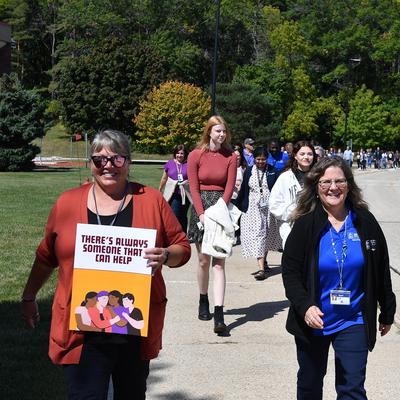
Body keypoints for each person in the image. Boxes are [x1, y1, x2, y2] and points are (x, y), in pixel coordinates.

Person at [21, 129, 191, 400]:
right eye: (99, 160)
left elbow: (182, 247)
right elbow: (45, 257)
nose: (108, 166)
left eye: (116, 159)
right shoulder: (67, 203)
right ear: (91, 164)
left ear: (128, 162)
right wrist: (29, 297)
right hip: (81, 332)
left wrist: (166, 256)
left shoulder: (151, 201)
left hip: (133, 330)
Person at [282, 155, 396, 400]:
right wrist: (305, 307)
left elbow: (380, 268)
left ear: (349, 185)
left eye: (339, 181)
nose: (333, 187)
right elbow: (290, 273)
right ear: (316, 187)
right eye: (325, 182)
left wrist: (387, 310)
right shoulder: (305, 225)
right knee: (310, 386)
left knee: (352, 389)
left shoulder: (365, 221)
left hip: (353, 319)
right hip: (314, 320)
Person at [187, 115, 237, 334]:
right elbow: (194, 188)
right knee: (203, 260)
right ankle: (203, 298)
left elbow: (229, 186)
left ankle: (219, 312)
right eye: (218, 131)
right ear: (209, 132)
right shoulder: (195, 155)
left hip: (220, 208)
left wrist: (219, 211)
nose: (222, 135)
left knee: (219, 262)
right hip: (200, 208)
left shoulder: (231, 156)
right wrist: (201, 214)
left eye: (224, 131)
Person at [237, 147, 280, 280]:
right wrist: (238, 203)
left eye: (263, 159)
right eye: (258, 159)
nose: (260, 161)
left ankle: (264, 261)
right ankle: (261, 268)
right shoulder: (249, 171)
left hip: (269, 206)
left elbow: (278, 188)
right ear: (254, 159)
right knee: (258, 234)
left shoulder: (273, 171)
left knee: (267, 234)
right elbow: (244, 189)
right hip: (253, 207)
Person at [269, 140, 316, 248]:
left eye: (310, 154)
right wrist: (292, 213)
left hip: (313, 223)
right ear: (295, 155)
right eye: (302, 154)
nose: (306, 157)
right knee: (294, 258)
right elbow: (274, 203)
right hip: (291, 224)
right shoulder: (285, 177)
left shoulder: (318, 177)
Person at [158, 144, 191, 233]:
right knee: (174, 214)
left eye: (182, 153)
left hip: (185, 194)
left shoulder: (189, 164)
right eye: (178, 153)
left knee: (183, 215)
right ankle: (174, 233)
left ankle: (183, 235)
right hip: (173, 194)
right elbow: (164, 178)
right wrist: (160, 189)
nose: (179, 155)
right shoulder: (170, 163)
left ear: (185, 154)